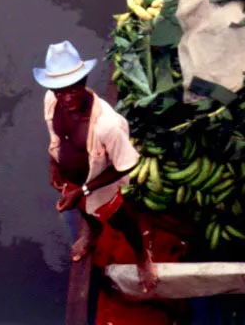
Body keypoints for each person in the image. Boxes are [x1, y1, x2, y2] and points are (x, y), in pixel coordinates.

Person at [33, 41, 157, 293]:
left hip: (97, 185)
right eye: (59, 90)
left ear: (84, 82)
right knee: (85, 212)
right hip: (70, 181)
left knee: (122, 220)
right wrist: (53, 166)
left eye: (72, 89)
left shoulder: (106, 124)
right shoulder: (51, 100)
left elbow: (126, 165)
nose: (66, 98)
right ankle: (90, 233)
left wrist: (84, 190)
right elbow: (55, 137)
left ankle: (143, 257)